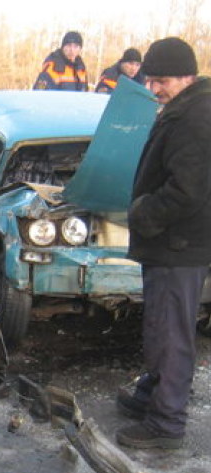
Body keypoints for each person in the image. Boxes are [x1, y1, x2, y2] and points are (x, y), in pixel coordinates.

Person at [116, 37, 211, 450]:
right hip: (175, 243)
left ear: (186, 76)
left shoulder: (195, 117)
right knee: (161, 325)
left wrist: (143, 213)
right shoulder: (188, 107)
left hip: (179, 244)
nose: (154, 89)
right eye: (151, 81)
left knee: (170, 333)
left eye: (162, 81)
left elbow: (187, 190)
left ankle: (166, 422)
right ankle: (152, 395)